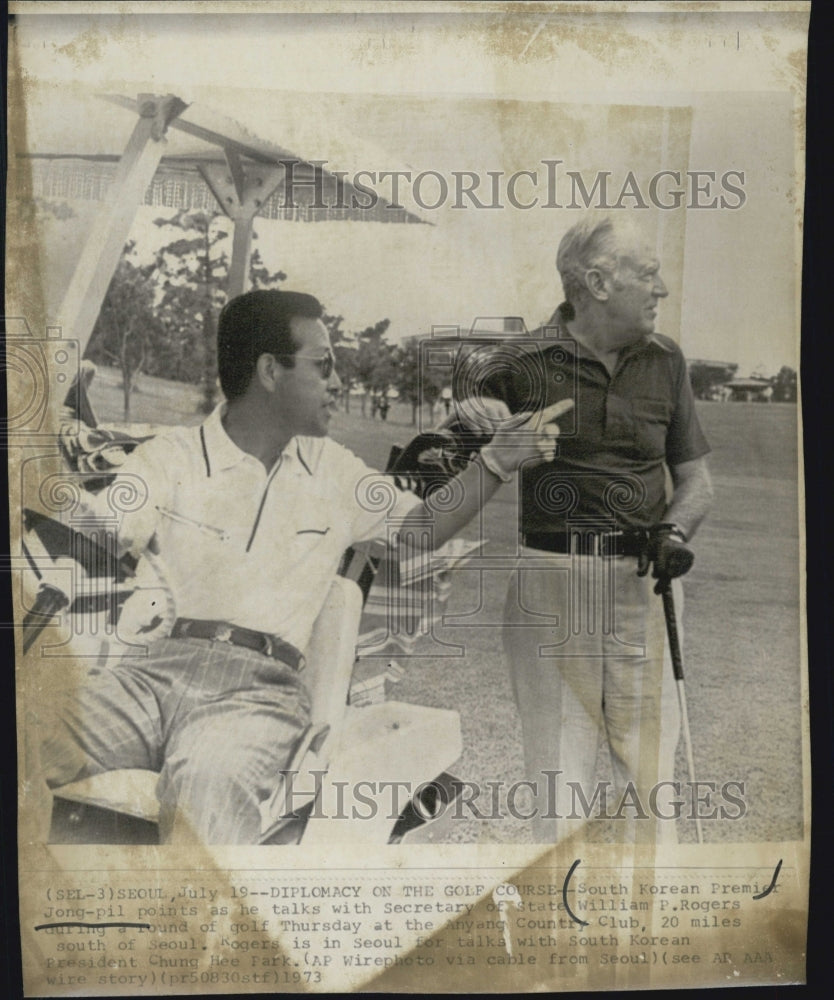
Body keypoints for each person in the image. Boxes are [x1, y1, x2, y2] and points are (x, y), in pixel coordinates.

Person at [33, 288, 572, 845]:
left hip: (258, 694)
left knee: (207, 781)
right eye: (324, 365)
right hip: (149, 674)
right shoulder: (170, 456)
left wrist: (496, 462)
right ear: (270, 370)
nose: (337, 381)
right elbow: (93, 536)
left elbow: (421, 530)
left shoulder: (334, 472)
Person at [449, 215, 713, 843]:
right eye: (647, 275)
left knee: (651, 779)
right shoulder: (519, 362)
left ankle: (651, 933)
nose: (661, 290)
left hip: (645, 582)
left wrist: (673, 533)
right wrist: (469, 415)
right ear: (596, 281)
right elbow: (457, 443)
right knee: (558, 775)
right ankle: (562, 935)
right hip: (551, 581)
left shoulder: (667, 360)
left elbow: (697, 482)